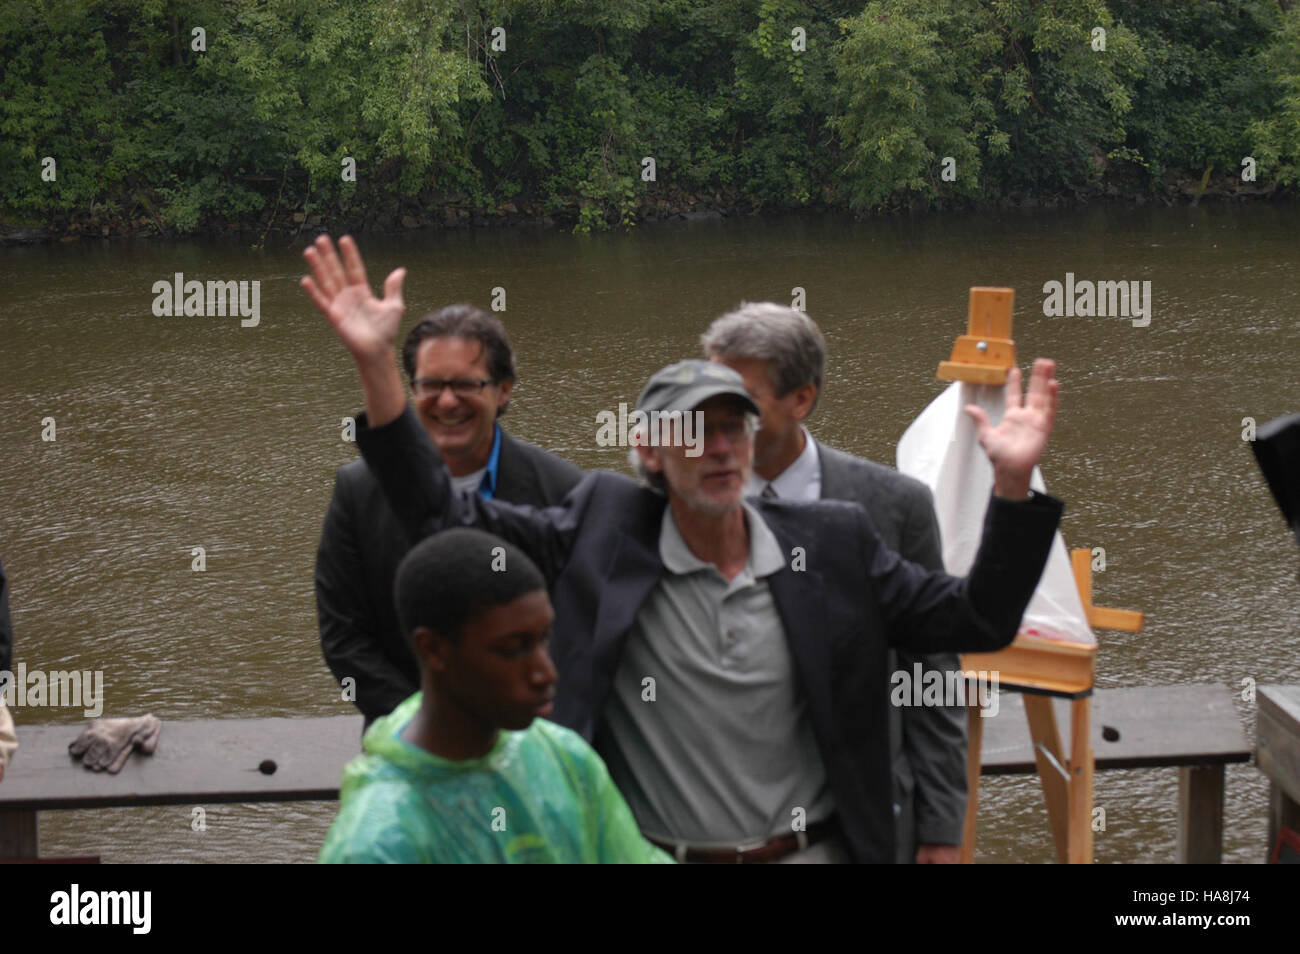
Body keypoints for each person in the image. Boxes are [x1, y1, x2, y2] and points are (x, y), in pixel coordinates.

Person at [301, 233, 1064, 863]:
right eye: (691, 431)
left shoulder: (834, 541)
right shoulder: (602, 526)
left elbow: (978, 621)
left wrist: (1013, 488)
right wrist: (376, 364)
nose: (719, 447)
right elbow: (439, 515)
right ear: (649, 452)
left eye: (734, 426)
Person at [702, 302, 966, 864]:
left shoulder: (895, 507)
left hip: (861, 824)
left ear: (802, 398)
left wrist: (941, 830)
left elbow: (932, 675)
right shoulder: (676, 503)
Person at [318, 527, 671, 863]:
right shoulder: (376, 846)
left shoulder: (565, 759)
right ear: (434, 650)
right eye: (513, 649)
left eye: (544, 639)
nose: (545, 673)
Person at [315, 302, 583, 727]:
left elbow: (579, 634)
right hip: (407, 742)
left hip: (534, 737)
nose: (446, 401)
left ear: (505, 390)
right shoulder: (357, 490)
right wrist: (427, 723)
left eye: (464, 384)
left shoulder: (565, 490)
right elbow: (344, 636)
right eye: (431, 384)